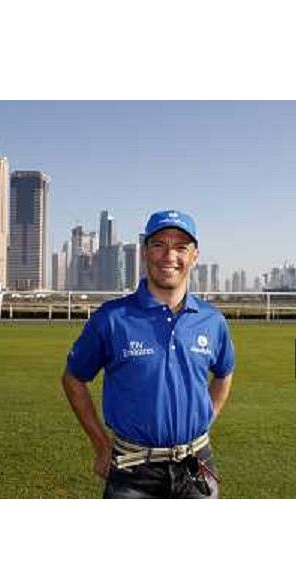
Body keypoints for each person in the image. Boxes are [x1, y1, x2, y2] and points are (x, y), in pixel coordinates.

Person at [61, 210, 235, 498]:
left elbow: (224, 373)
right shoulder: (112, 318)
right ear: (145, 253)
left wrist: (206, 419)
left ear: (194, 256)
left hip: (197, 462)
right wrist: (102, 445)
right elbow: (73, 379)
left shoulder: (212, 320)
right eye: (159, 245)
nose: (170, 256)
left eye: (181, 247)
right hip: (132, 469)